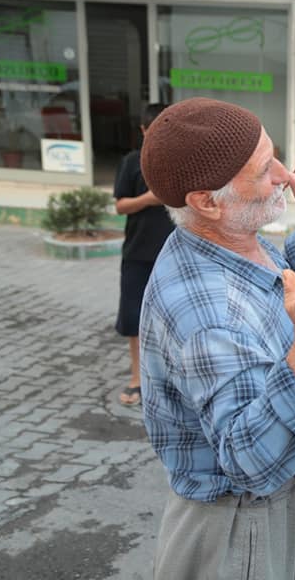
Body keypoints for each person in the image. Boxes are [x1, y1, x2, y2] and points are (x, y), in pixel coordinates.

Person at [137, 97, 295, 580]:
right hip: (239, 521)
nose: (286, 175)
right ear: (207, 201)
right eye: (265, 170)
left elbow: (279, 291)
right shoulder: (210, 317)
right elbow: (253, 462)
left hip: (262, 506)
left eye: (276, 155)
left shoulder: (226, 238)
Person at [113, 102, 174, 406]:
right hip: (137, 254)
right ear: (143, 130)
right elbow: (120, 206)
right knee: (134, 318)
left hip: (174, 256)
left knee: (173, 320)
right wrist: (148, 199)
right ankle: (137, 378)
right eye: (154, 130)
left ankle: (172, 380)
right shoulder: (131, 162)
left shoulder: (180, 163)